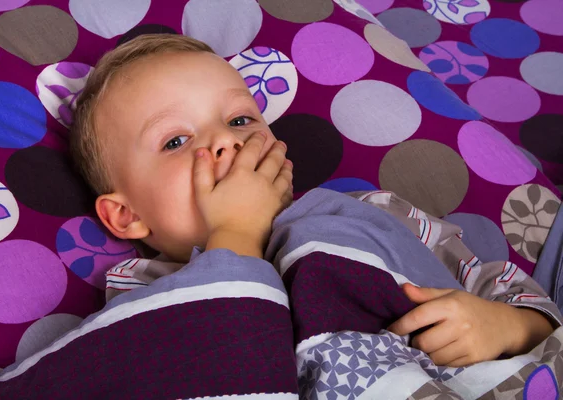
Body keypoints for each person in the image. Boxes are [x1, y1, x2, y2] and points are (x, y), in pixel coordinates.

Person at [69, 33, 560, 369]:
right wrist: (234, 230)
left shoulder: (367, 213)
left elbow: (496, 283)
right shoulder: (139, 295)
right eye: (175, 141)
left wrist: (513, 327)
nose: (226, 142)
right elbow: (211, 368)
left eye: (240, 121)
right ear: (126, 215)